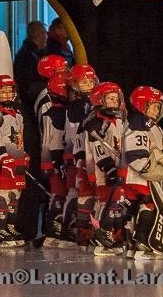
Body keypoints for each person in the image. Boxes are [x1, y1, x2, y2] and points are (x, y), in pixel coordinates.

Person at [123, 86, 163, 257]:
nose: (157, 110)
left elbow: (155, 152)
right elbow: (138, 155)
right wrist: (156, 171)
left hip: (140, 175)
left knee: (138, 207)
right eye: (154, 106)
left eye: (159, 106)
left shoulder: (149, 125)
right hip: (140, 176)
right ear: (141, 105)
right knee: (150, 205)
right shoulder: (140, 123)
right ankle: (143, 240)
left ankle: (133, 242)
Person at [84, 81, 130, 256]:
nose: (114, 102)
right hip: (102, 171)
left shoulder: (118, 121)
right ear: (99, 100)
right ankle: (100, 236)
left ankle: (115, 236)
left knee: (118, 202)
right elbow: (98, 149)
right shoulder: (96, 123)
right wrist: (109, 168)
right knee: (106, 201)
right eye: (110, 98)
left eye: (116, 99)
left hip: (118, 168)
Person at [0, 74, 28, 248]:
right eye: (2, 91)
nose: (7, 94)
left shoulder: (18, 114)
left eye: (9, 91)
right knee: (2, 195)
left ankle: (9, 227)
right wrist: (3, 159)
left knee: (14, 196)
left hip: (17, 162)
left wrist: (23, 154)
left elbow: (17, 139)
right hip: (1, 165)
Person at [60, 63, 97, 247]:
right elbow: (74, 135)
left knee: (97, 194)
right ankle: (71, 229)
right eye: (83, 82)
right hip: (79, 154)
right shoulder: (75, 107)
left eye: (90, 81)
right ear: (75, 85)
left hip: (95, 153)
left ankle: (94, 230)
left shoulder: (98, 102)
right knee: (77, 192)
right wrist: (79, 156)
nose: (88, 85)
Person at [36, 58, 70, 248]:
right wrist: (54, 160)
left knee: (59, 192)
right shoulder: (48, 101)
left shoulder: (49, 96)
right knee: (57, 192)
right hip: (53, 151)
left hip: (53, 151)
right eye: (62, 68)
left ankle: (56, 227)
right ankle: (52, 228)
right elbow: (50, 133)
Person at [13, 20, 48, 103]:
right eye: (44, 33)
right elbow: (28, 82)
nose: (47, 37)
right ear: (37, 35)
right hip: (31, 100)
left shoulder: (38, 53)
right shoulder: (26, 56)